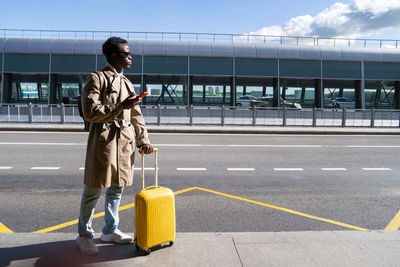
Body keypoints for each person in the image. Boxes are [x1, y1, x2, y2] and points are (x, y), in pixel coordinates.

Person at [76, 37, 154, 255]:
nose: (130, 57)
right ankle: (84, 235)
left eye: (130, 54)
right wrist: (120, 106)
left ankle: (110, 230)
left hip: (124, 143)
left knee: (116, 189)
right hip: (103, 142)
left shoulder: (127, 82)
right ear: (113, 56)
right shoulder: (96, 78)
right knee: (93, 190)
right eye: (126, 54)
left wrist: (144, 140)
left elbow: (136, 116)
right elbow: (91, 112)